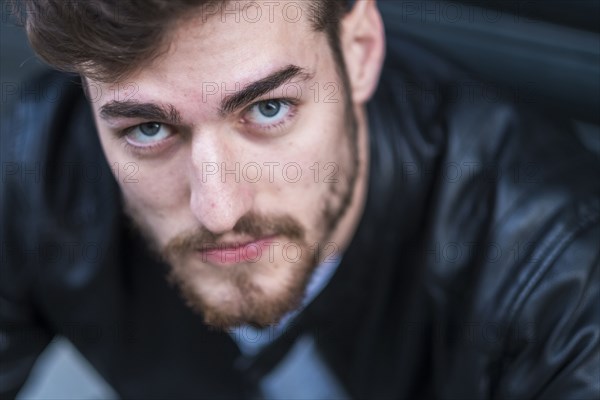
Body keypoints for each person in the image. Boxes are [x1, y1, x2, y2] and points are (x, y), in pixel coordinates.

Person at [1, 0, 598, 398]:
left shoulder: (556, 275)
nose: (218, 210)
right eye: (148, 130)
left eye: (268, 109)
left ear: (359, 49)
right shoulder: (41, 168)